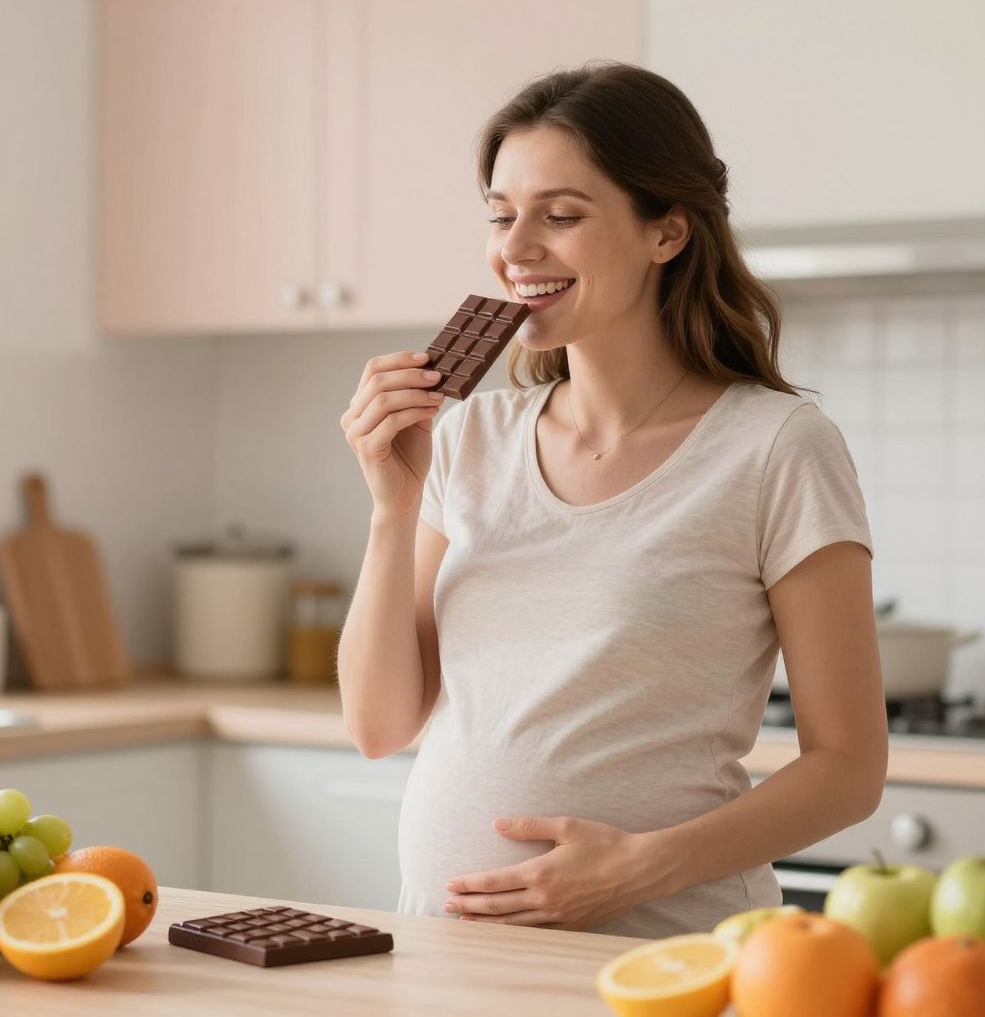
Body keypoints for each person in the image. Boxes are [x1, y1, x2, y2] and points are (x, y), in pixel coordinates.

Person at [336, 61, 886, 938]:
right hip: (448, 951)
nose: (515, 249)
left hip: (656, 952)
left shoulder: (777, 448)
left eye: (560, 216)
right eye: (501, 214)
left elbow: (851, 768)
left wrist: (640, 869)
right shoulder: (469, 440)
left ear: (666, 233)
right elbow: (378, 725)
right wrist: (389, 507)